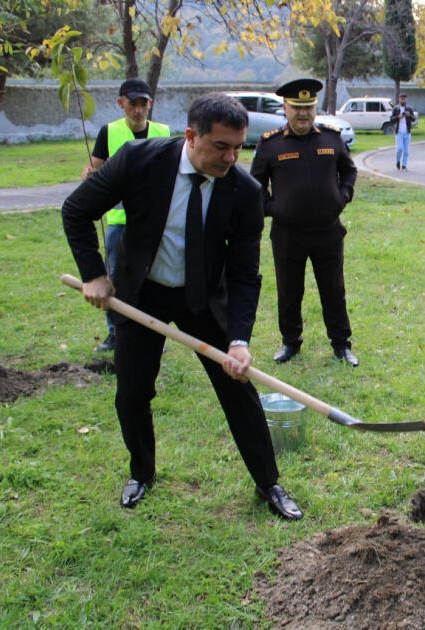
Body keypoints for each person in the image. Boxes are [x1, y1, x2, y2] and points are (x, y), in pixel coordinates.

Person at [61, 92, 303, 520]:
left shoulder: (245, 193)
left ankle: (269, 483)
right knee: (132, 393)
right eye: (221, 146)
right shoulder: (140, 160)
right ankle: (142, 472)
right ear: (191, 136)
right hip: (141, 293)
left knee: (238, 388)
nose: (231, 158)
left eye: (238, 147)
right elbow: (76, 209)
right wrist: (94, 273)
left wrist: (240, 340)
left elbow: (246, 273)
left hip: (203, 299)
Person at [249, 79, 359, 367]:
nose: (303, 114)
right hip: (288, 234)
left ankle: (341, 344)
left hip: (327, 231)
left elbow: (348, 171)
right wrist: (272, 208)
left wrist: (343, 196)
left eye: (308, 108)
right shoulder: (271, 144)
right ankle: (290, 342)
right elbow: (255, 185)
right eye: (297, 108)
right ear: (285, 108)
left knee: (333, 289)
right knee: (289, 290)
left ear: (315, 109)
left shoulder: (331, 138)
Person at [83, 78, 170, 352]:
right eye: (133, 104)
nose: (138, 110)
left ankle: (154, 335)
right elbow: (93, 170)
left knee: (154, 280)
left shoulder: (163, 131)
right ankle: (115, 333)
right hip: (119, 223)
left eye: (144, 104)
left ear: (150, 104)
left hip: (154, 222)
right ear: (121, 103)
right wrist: (90, 178)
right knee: (115, 280)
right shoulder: (108, 132)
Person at [391, 93, 417, 170]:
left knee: (406, 150)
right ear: (399, 99)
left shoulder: (409, 109)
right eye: (401, 98)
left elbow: (414, 119)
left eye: (404, 99)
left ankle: (404, 165)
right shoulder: (396, 109)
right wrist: (398, 117)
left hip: (407, 132)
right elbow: (391, 119)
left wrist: (408, 115)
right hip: (399, 132)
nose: (403, 100)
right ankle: (398, 161)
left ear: (406, 99)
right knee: (400, 148)